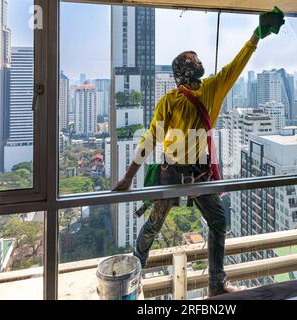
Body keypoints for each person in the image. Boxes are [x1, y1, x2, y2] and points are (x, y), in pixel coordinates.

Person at [113, 9, 285, 297]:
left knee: (215, 220)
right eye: (193, 60)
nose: (199, 63)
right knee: (155, 224)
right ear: (183, 72)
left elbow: (237, 65)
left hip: (195, 172)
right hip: (176, 171)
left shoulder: (210, 89)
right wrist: (128, 178)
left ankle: (216, 284)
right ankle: (134, 277)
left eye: (197, 59)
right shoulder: (172, 101)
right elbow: (150, 139)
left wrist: (256, 36)